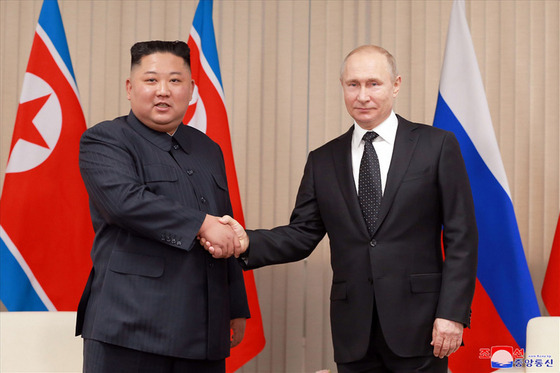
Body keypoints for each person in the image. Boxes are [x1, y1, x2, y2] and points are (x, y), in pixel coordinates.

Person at [204, 45, 478, 372]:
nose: (362, 95)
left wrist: (452, 313)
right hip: (354, 332)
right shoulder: (322, 160)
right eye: (353, 84)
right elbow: (302, 234)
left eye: (373, 84)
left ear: (396, 84)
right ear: (342, 86)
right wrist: (247, 242)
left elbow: (462, 237)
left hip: (421, 325)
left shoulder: (436, 145)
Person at [75, 40, 249, 373]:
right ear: (130, 88)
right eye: (151, 80)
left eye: (175, 80)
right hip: (128, 327)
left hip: (203, 326)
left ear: (192, 89)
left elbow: (224, 223)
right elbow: (124, 202)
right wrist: (201, 223)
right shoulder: (106, 139)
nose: (163, 91)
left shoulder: (207, 148)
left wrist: (235, 305)